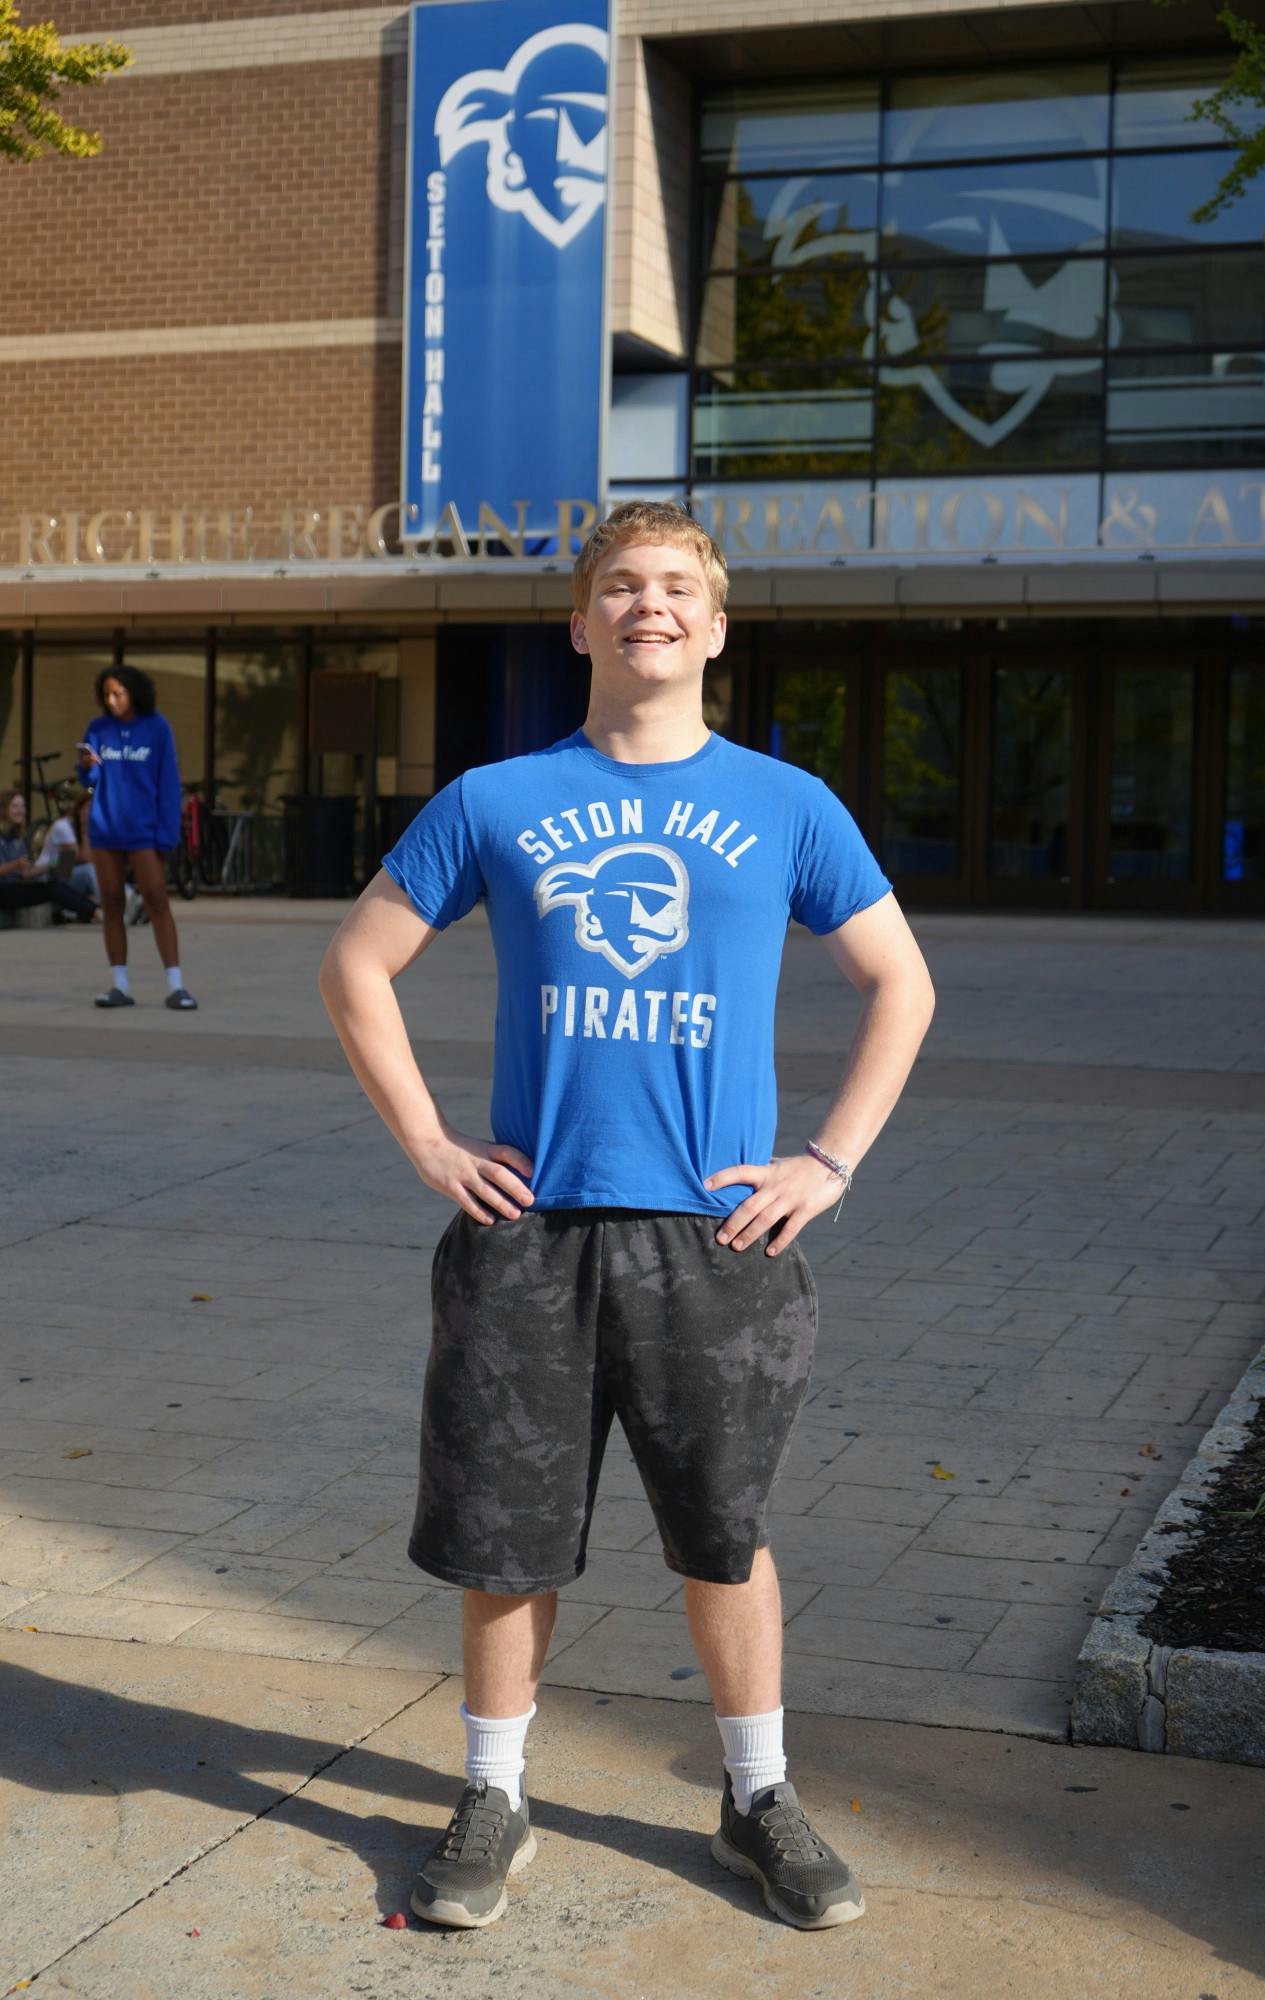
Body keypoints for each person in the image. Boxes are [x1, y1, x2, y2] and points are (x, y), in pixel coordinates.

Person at [318, 500, 935, 1935]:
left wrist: (827, 1162)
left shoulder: (788, 805)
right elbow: (358, 965)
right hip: (530, 1233)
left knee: (723, 1534)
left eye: (675, 589)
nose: (647, 605)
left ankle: (756, 1796)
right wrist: (426, 1142)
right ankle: (493, 1794)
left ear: (714, 630)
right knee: (503, 1533)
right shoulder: (495, 797)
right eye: (620, 586)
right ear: (581, 622)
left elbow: (899, 982)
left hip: (719, 1242)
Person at [82, 664, 197, 1010]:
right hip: (106, 830)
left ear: (135, 692)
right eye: (107, 694)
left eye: (118, 693)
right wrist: (86, 767)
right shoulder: (98, 728)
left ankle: (176, 985)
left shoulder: (157, 728)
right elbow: (89, 781)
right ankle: (119, 984)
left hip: (144, 832)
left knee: (157, 900)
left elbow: (168, 784)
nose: (112, 700)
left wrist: (166, 834)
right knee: (112, 904)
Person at [0, 789, 99, 924]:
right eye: (15, 806)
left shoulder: (18, 838)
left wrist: (53, 863)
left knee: (52, 885)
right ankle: (99, 911)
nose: (21, 810)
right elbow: (81, 857)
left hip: (16, 885)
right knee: (67, 880)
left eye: (23, 806)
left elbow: (25, 873)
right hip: (3, 888)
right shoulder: (63, 826)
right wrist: (15, 865)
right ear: (3, 809)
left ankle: (97, 911)